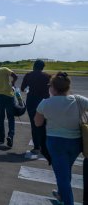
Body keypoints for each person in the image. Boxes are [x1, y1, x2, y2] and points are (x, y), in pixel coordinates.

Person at [35, 72, 88, 205]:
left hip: (56, 143)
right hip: (76, 143)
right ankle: (60, 194)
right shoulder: (78, 99)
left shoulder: (45, 103)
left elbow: (38, 123)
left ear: (52, 88)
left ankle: (67, 201)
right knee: (66, 170)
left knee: (62, 177)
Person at [20, 60, 51, 155]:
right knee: (44, 124)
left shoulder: (28, 75)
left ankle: (37, 147)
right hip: (44, 102)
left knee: (34, 125)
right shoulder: (48, 76)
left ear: (34, 66)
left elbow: (22, 88)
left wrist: (29, 90)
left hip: (32, 101)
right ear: (42, 67)